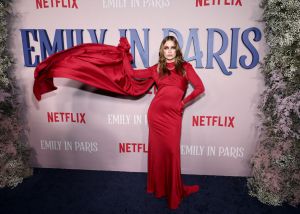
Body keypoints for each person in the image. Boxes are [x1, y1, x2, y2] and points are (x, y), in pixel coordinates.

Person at [33, 36, 205, 209]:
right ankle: (160, 188)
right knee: (158, 152)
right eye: (166, 47)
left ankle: (175, 191)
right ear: (162, 50)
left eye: (172, 47)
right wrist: (122, 55)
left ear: (177, 50)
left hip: (173, 116)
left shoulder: (185, 68)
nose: (169, 51)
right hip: (156, 115)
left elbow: (200, 88)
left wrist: (182, 103)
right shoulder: (157, 68)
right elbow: (132, 75)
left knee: (172, 153)